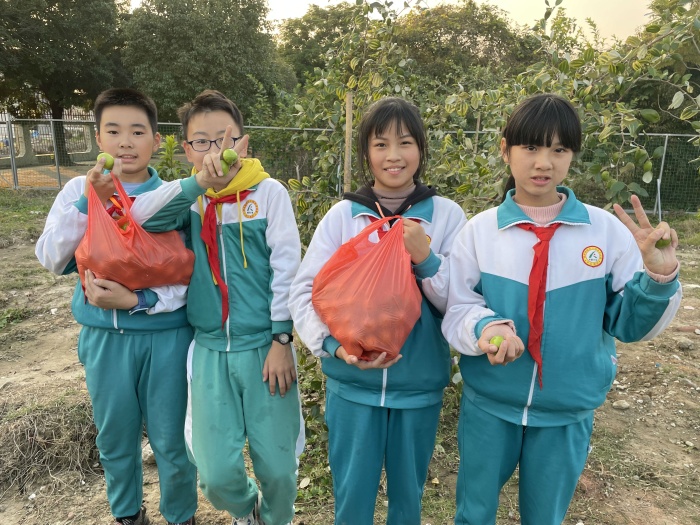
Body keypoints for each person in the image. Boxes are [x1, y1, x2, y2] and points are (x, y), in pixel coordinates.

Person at [442, 93, 683, 525]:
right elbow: (459, 305)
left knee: (545, 518)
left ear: (572, 155)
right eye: (531, 147)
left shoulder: (605, 232)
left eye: (559, 149)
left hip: (566, 413)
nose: (544, 163)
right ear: (505, 150)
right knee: (474, 513)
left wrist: (658, 277)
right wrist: (487, 328)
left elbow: (631, 326)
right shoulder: (479, 231)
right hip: (489, 406)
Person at [35, 87, 235, 525]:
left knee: (172, 441)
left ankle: (181, 515)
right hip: (104, 340)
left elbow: (195, 278)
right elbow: (51, 257)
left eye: (137, 131)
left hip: (168, 339)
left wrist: (139, 300)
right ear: (98, 138)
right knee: (115, 438)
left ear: (156, 140)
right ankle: (128, 514)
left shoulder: (179, 197)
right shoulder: (75, 191)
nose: (125, 142)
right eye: (113, 131)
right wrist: (89, 199)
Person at [288, 96, 466, 525]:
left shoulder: (446, 217)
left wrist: (426, 260)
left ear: (421, 148)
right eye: (380, 144)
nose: (393, 156)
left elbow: (461, 301)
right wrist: (333, 347)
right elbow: (304, 291)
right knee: (351, 497)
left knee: (408, 498)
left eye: (405, 143)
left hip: (418, 389)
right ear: (366, 152)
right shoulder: (344, 217)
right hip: (352, 387)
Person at [173, 90, 304, 525]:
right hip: (210, 351)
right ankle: (247, 511)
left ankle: (274, 519)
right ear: (187, 149)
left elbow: (287, 267)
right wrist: (197, 186)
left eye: (224, 139)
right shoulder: (187, 200)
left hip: (265, 348)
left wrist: (281, 338)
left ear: (242, 143)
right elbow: (144, 220)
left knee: (280, 470)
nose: (214, 151)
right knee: (214, 475)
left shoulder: (268, 194)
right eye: (201, 142)